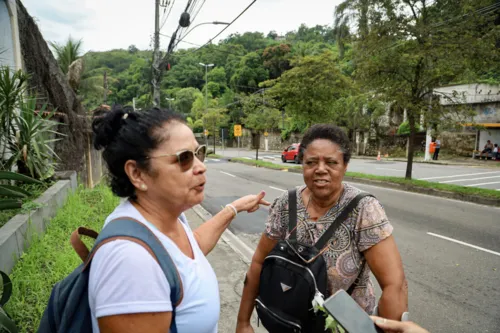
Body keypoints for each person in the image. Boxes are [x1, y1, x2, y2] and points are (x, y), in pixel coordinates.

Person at [90, 105, 270, 333]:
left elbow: (187, 253)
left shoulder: (166, 218)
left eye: (199, 153)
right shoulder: (131, 262)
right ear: (138, 173)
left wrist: (234, 208)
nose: (201, 167)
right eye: (184, 159)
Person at [236, 124, 408, 332]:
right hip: (293, 324)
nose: (320, 169)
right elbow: (258, 263)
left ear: (345, 165)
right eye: (311, 162)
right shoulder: (286, 204)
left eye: (331, 162)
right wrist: (243, 322)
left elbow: (394, 285)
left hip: (345, 327)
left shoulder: (364, 209)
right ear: (302, 164)